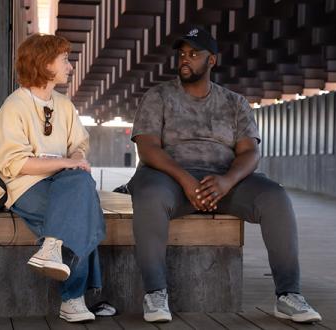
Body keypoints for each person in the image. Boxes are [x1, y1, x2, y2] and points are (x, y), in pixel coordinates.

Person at [128, 27, 322, 323]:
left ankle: (288, 295)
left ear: (212, 61)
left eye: (194, 54)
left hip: (223, 179)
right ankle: (155, 293)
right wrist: (185, 179)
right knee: (149, 195)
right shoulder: (158, 96)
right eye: (182, 54)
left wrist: (227, 181)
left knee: (275, 197)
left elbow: (249, 153)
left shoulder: (235, 103)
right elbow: (148, 148)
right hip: (169, 178)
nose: (185, 59)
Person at [0, 33, 105, 323]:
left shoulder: (63, 105)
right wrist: (66, 162)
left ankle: (52, 248)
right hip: (20, 184)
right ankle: (75, 298)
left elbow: (79, 145)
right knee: (83, 210)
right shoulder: (14, 106)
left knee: (82, 184)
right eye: (64, 59)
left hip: (59, 182)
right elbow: (14, 164)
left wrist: (75, 159)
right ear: (44, 64)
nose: (70, 66)